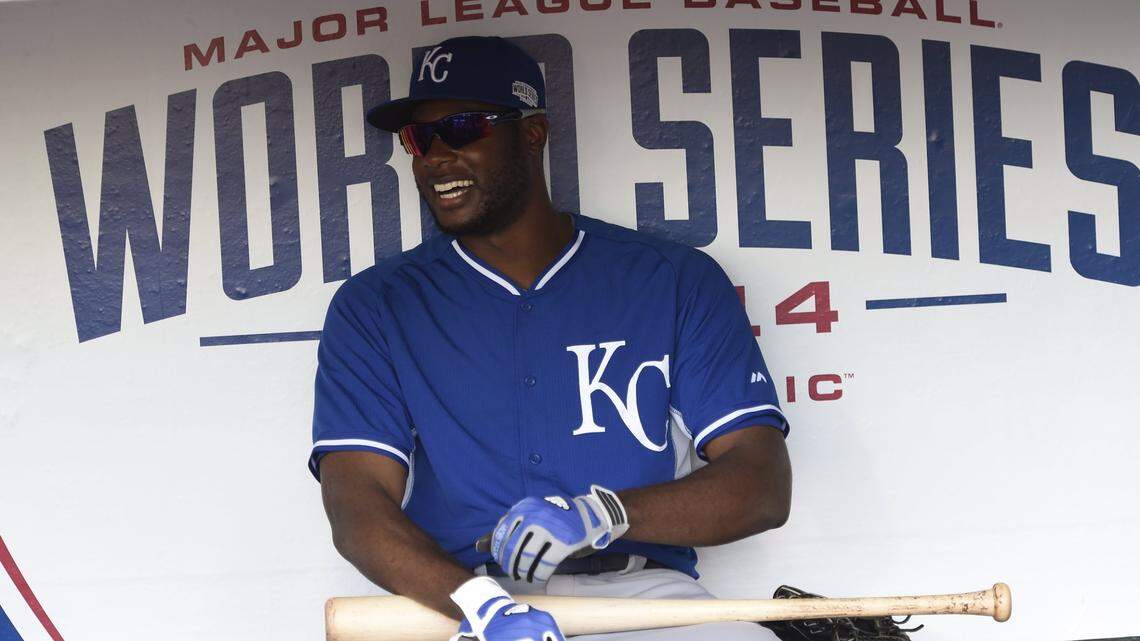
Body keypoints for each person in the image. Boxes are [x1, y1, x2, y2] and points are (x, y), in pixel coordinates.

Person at [310, 36, 792, 641]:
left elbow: (762, 484)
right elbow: (357, 506)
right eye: (419, 138)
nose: (436, 155)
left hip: (641, 594)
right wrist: (476, 603)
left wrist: (607, 513)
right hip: (464, 598)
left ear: (532, 133)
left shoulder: (671, 278)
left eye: (461, 127)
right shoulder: (377, 305)